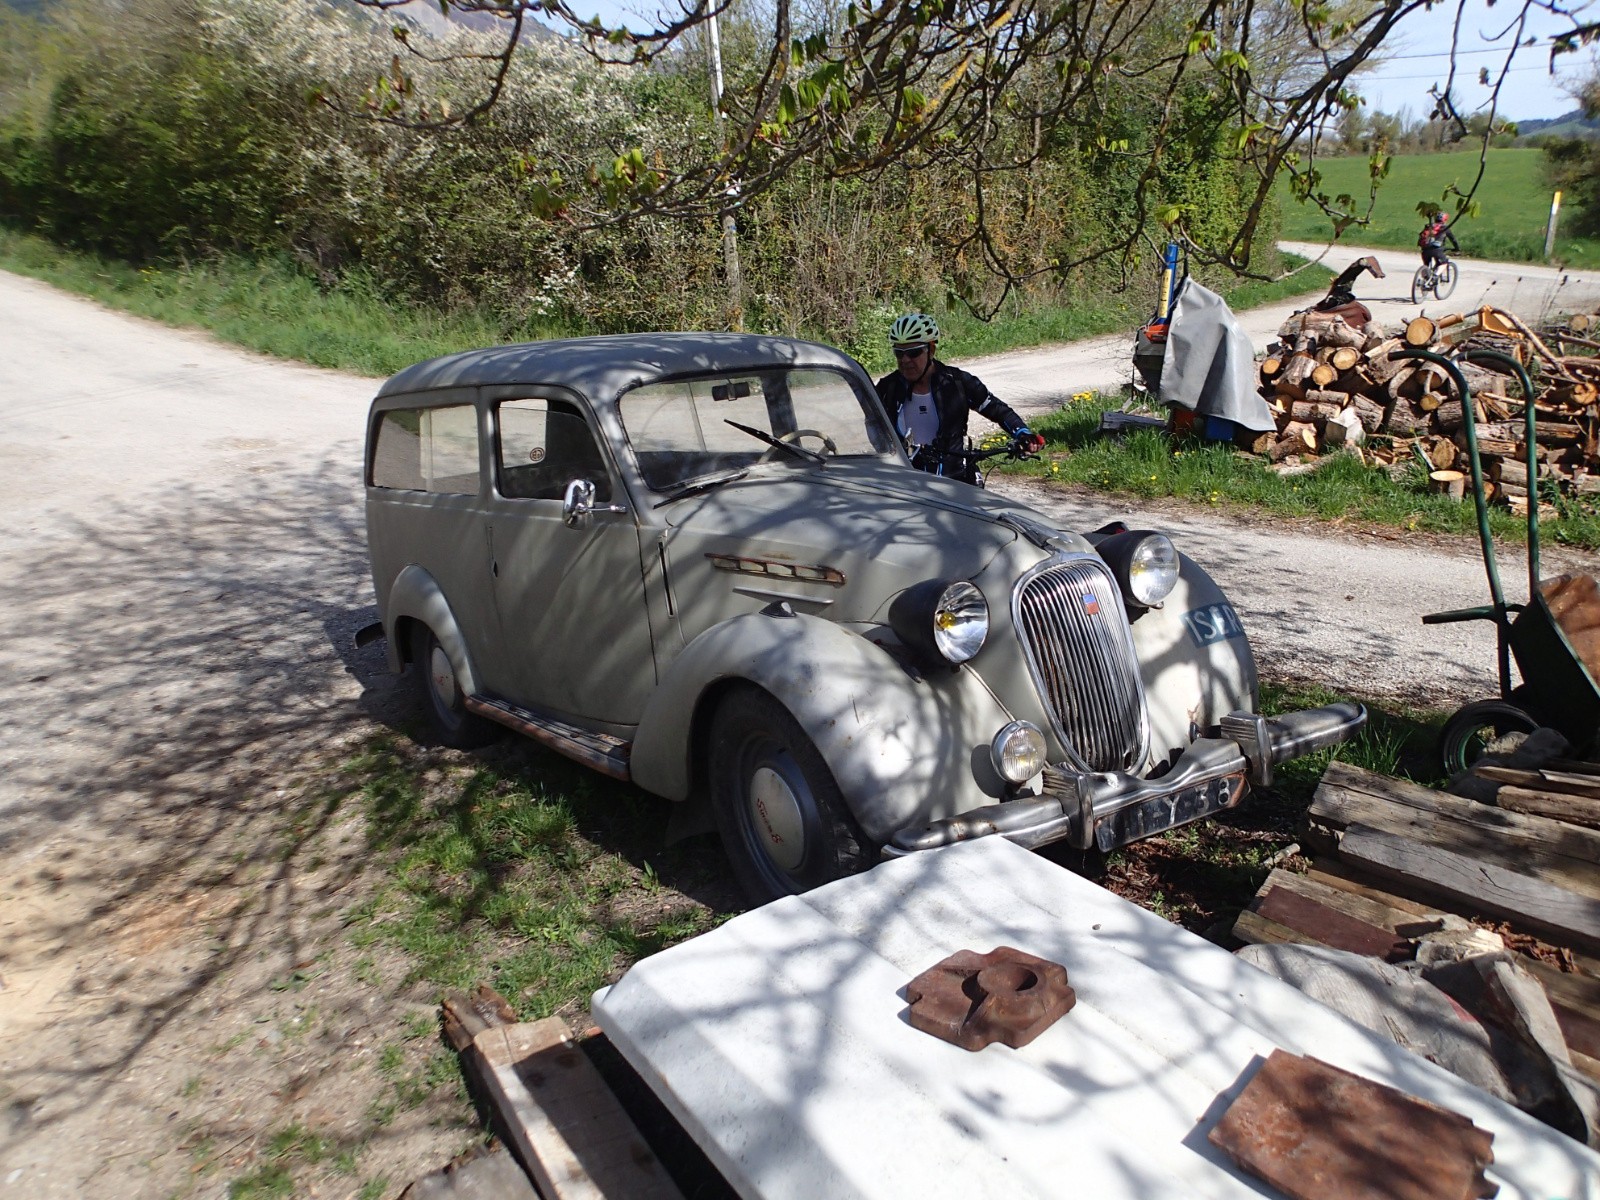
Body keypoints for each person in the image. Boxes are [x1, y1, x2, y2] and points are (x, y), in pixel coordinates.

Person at [874, 313, 1044, 483]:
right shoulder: (888, 388)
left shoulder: (957, 383)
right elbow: (869, 427)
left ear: (931, 350)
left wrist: (1023, 434)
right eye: (899, 353)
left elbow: (999, 411)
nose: (905, 360)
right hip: (907, 480)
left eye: (913, 352)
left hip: (954, 479)